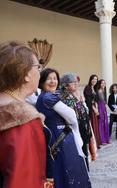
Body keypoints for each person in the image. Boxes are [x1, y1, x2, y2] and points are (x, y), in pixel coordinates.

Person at [0, 41, 46, 188]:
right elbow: (24, 180)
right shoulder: (23, 120)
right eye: (38, 67)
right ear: (26, 74)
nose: (40, 72)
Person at [36, 68, 91, 188]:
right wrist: (75, 131)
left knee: (61, 172)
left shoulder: (45, 96)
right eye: (49, 79)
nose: (53, 81)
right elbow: (71, 115)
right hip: (61, 140)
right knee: (68, 172)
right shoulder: (48, 97)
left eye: (55, 78)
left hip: (57, 138)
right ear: (42, 82)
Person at [60, 72, 96, 163]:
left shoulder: (72, 95)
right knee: (80, 155)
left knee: (84, 153)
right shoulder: (64, 97)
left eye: (76, 81)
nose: (76, 83)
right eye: (73, 82)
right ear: (65, 85)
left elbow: (82, 110)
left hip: (82, 129)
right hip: (76, 130)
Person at [84, 74, 102, 149]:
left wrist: (97, 108)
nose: (94, 80)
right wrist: (94, 109)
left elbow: (96, 100)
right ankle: (93, 144)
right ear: (90, 79)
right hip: (91, 109)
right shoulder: (88, 88)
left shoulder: (94, 88)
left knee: (96, 125)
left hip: (95, 108)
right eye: (93, 79)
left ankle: (97, 143)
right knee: (92, 126)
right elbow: (88, 101)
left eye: (96, 79)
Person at [96, 79, 110, 145]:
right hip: (100, 107)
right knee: (101, 122)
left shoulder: (103, 90)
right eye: (102, 83)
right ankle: (103, 140)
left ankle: (106, 139)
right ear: (99, 84)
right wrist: (108, 108)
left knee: (105, 122)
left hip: (103, 107)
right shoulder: (99, 91)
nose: (103, 84)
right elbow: (103, 100)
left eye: (104, 83)